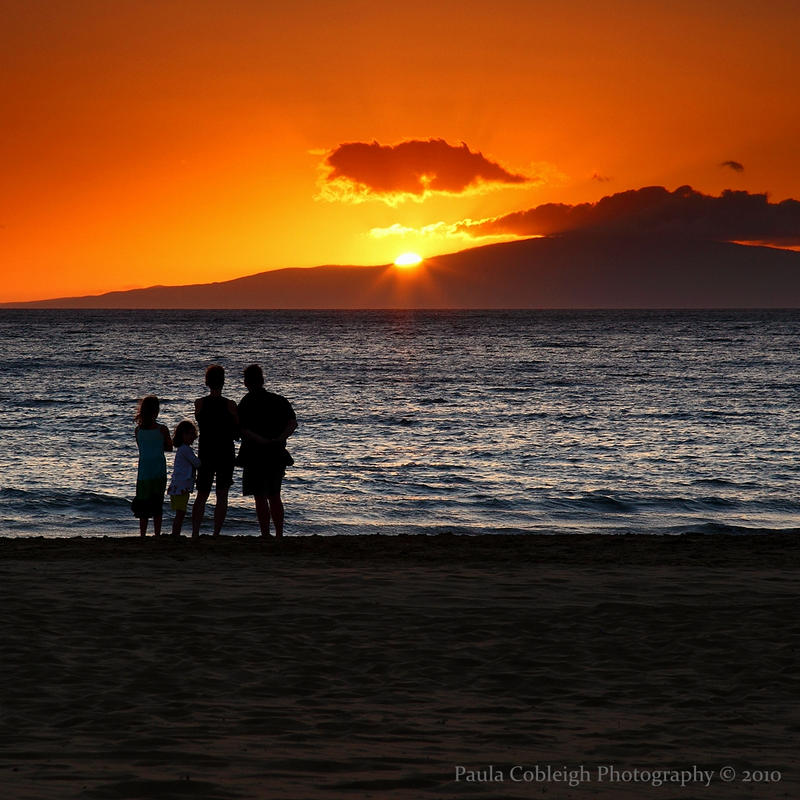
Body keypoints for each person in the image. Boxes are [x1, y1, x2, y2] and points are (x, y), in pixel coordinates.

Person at [237, 364, 297, 538]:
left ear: (246, 382)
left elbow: (242, 429)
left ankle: (265, 534)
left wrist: (260, 440)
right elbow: (292, 423)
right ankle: (279, 534)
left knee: (260, 496)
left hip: (254, 454)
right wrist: (279, 438)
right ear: (262, 380)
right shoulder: (278, 400)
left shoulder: (246, 402)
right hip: (275, 453)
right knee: (274, 495)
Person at [191, 364, 239, 538]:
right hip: (225, 452)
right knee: (222, 494)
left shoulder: (200, 404)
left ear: (207, 382)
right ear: (223, 382)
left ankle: (195, 532)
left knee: (202, 494)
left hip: (207, 451)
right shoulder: (230, 405)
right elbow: (237, 429)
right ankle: (216, 533)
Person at [132, 395, 172, 537]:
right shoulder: (162, 429)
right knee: (157, 504)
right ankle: (157, 533)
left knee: (143, 504)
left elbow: (141, 448)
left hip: (143, 471)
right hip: (158, 470)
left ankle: (142, 534)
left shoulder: (138, 431)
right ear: (156, 411)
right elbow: (169, 447)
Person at [168, 420, 201, 537]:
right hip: (181, 486)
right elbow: (196, 463)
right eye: (190, 434)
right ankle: (175, 534)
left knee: (180, 512)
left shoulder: (182, 449)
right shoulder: (185, 450)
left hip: (179, 486)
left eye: (193, 434)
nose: (193, 437)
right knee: (180, 512)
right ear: (183, 435)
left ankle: (175, 533)